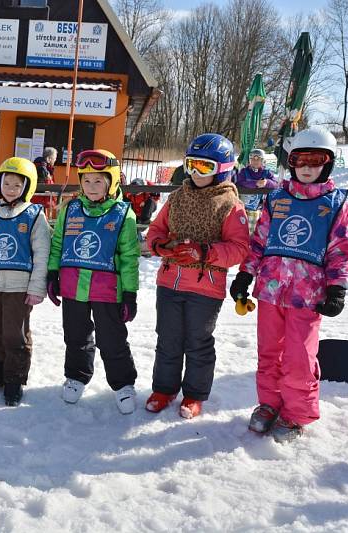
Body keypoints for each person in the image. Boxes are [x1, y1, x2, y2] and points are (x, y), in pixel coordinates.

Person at [230, 126, 348, 443]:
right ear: (292, 162)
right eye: (301, 160)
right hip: (271, 290)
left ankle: (296, 413)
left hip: (307, 296)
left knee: (300, 357)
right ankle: (269, 403)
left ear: (327, 164)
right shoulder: (276, 198)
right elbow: (260, 241)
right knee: (269, 352)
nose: (307, 167)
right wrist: (245, 274)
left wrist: (337, 288)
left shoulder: (335, 203)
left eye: (316, 160)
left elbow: (341, 249)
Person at [145, 133, 250, 419]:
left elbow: (240, 249)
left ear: (222, 169)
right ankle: (164, 389)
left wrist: (204, 252)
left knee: (198, 343)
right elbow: (156, 229)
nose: (195, 173)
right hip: (169, 282)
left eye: (204, 167)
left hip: (205, 288)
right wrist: (159, 245)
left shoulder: (229, 204)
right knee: (167, 340)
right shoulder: (178, 197)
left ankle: (194, 394)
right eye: (191, 164)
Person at [47, 149, 141, 415]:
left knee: (112, 339)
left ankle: (123, 384)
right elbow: (58, 242)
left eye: (98, 181)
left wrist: (130, 293)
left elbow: (130, 258)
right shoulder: (71, 209)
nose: (91, 187)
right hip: (73, 286)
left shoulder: (123, 214)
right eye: (86, 180)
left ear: (111, 182)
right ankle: (76, 376)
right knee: (75, 336)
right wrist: (53, 274)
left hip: (107, 290)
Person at [0, 157, 51, 406]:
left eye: (17, 185)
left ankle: (14, 379)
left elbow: (42, 253)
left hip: (20, 287)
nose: (11, 189)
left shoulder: (35, 215)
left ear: (27, 187)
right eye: (7, 183)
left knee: (15, 335)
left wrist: (37, 287)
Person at [233, 148, 279, 233]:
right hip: (244, 206)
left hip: (260, 207)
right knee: (242, 225)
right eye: (253, 159)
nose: (255, 161)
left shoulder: (266, 172)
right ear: (250, 160)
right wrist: (255, 184)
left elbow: (276, 184)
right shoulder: (244, 171)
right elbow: (239, 182)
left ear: (262, 161)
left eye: (258, 159)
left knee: (257, 224)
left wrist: (267, 182)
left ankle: (255, 238)